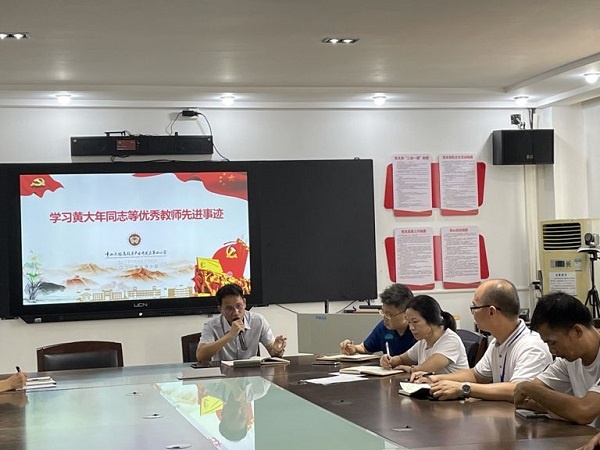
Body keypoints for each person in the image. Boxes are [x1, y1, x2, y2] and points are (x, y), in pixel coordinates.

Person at [415, 279, 552, 402]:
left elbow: (519, 390)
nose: (472, 313)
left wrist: (464, 388)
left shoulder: (531, 346)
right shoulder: (497, 342)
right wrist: (434, 378)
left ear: (492, 311)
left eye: (474, 307)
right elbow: (476, 375)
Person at [513, 292, 600, 427]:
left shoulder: (570, 355)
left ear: (577, 331)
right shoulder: (568, 360)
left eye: (552, 343)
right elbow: (527, 398)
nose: (551, 351)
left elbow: (584, 411)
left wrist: (527, 387)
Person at [380, 294, 469, 375]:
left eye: (415, 322)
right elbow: (401, 359)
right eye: (409, 322)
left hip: (456, 387)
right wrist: (389, 361)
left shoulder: (450, 341)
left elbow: (427, 368)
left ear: (431, 319)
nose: (411, 328)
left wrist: (410, 369)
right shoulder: (424, 341)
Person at [196, 283, 287, 361]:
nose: (236, 312)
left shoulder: (258, 321)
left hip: (252, 373)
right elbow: (200, 356)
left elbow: (273, 352)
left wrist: (277, 350)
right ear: (221, 309)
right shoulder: (211, 326)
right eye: (229, 308)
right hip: (222, 374)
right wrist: (230, 335)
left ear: (244, 303)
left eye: (239, 306)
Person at [339, 283, 416, 356]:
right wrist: (353, 348)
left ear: (406, 314)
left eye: (389, 314)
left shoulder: (417, 330)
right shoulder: (384, 327)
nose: (385, 318)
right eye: (383, 312)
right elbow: (365, 348)